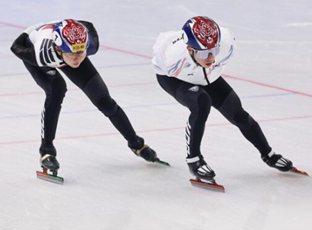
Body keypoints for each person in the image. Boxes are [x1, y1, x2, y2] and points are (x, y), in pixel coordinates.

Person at [152, 16, 294, 182]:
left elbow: (209, 61)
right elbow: (168, 72)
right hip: (175, 78)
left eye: (214, 51)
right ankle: (194, 160)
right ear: (190, 49)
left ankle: (269, 154)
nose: (211, 58)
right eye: (204, 52)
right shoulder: (172, 57)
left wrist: (206, 57)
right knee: (201, 102)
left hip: (207, 76)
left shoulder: (227, 42)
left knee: (238, 114)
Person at [11, 19, 160, 175]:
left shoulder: (89, 46)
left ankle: (136, 143)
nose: (76, 59)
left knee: (105, 102)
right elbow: (15, 47)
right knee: (56, 90)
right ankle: (46, 151)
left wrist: (75, 42)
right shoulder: (41, 54)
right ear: (58, 48)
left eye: (80, 52)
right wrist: (29, 31)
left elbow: (87, 24)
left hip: (66, 44)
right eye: (72, 54)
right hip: (34, 45)